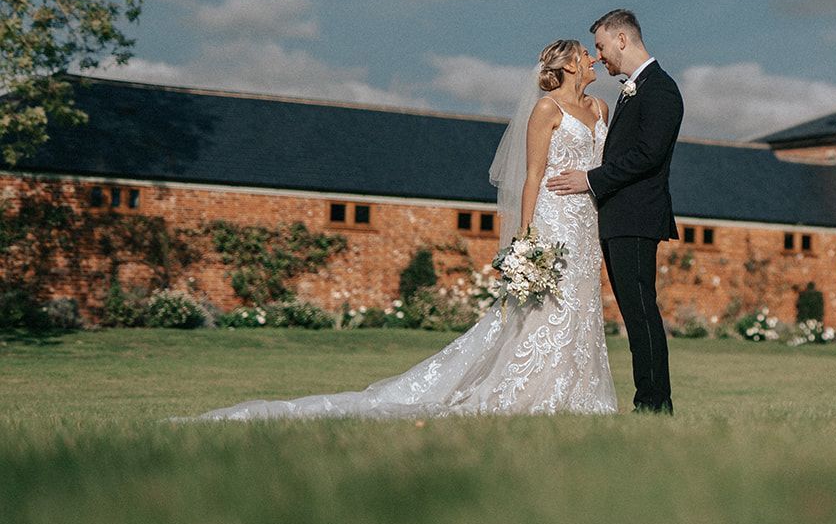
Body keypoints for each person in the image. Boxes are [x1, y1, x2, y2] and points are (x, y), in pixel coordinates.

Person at [185, 39, 618, 421]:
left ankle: (580, 393)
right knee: (547, 308)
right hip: (553, 216)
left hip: (586, 220)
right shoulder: (547, 109)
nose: (592, 59)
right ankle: (533, 392)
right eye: (585, 54)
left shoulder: (601, 108)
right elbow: (533, 174)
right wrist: (525, 236)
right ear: (567, 66)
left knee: (581, 303)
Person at [547, 8, 682, 414]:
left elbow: (646, 155)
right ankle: (650, 400)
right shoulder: (633, 89)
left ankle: (654, 403)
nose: (599, 56)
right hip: (619, 218)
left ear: (622, 40)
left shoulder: (660, 89)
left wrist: (590, 179)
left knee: (641, 313)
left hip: (637, 218)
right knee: (634, 313)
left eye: (602, 46)